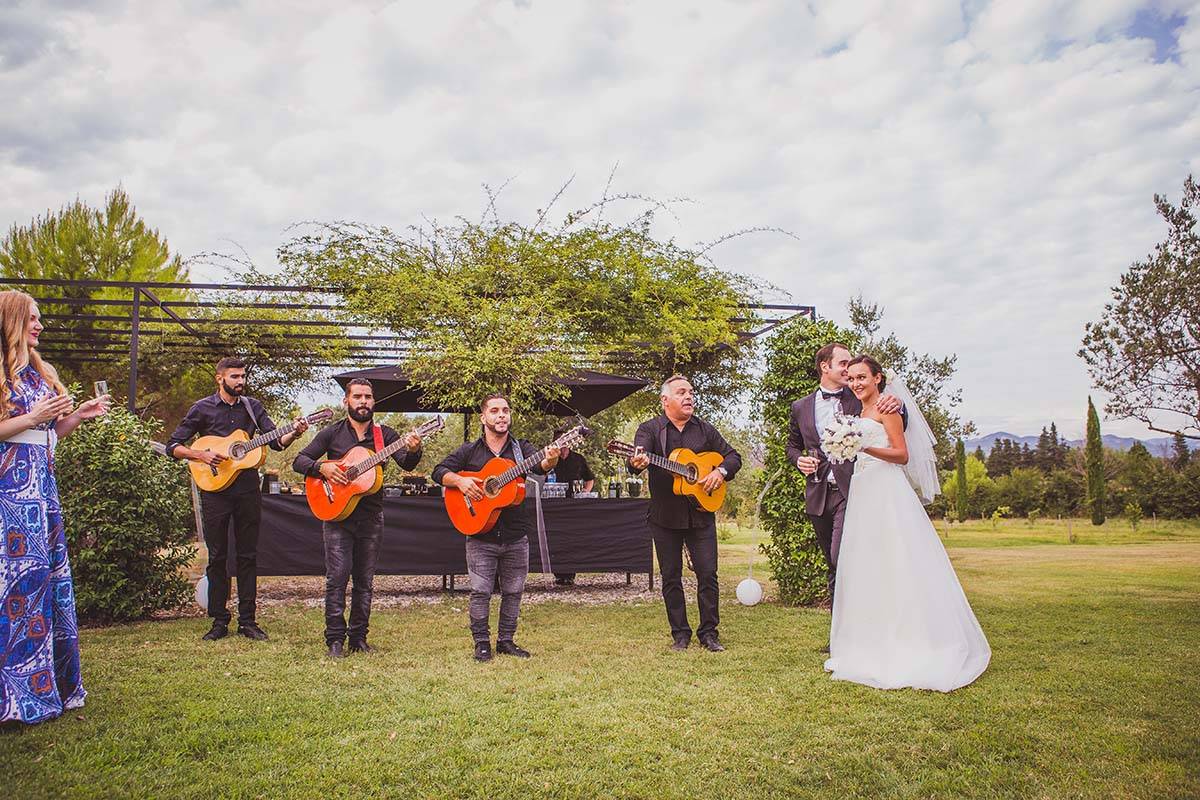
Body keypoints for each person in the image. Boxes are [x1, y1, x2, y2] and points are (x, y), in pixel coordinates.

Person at [825, 355, 990, 691]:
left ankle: (911, 643)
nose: (856, 383)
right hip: (864, 491)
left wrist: (864, 446)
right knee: (868, 566)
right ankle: (870, 643)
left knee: (898, 562)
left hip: (886, 490)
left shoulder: (888, 407)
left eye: (862, 377)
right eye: (851, 378)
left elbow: (902, 455)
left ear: (878, 378)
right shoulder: (856, 412)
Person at [0, 290, 110, 725]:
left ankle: (51, 686)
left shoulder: (40, 373)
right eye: (32, 319)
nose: (40, 326)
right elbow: (21, 428)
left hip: (42, 495)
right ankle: (14, 694)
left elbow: (47, 436)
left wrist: (75, 417)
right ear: (11, 321)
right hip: (9, 495)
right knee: (13, 589)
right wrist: (31, 417)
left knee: (46, 586)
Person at [167, 357, 309, 642]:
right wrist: (202, 455)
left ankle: (248, 621)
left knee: (247, 555)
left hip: (246, 490)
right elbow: (173, 446)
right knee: (217, 556)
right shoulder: (202, 408)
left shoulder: (253, 408)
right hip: (214, 490)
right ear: (220, 378)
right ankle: (219, 620)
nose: (240, 381)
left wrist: (293, 432)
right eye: (234, 377)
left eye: (243, 376)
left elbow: (276, 442)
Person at [291, 378, 423, 658]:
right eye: (358, 397)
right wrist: (323, 468)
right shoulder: (332, 433)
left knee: (365, 581)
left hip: (371, 517)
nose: (364, 401)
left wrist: (413, 448)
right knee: (336, 579)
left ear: (374, 402)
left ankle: (358, 638)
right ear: (346, 401)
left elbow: (407, 462)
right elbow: (299, 461)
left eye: (368, 397)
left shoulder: (384, 435)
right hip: (337, 516)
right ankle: (335, 640)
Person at [786, 342, 903, 633]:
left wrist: (897, 403)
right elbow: (793, 445)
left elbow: (892, 422)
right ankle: (841, 634)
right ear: (825, 367)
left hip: (853, 490)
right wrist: (798, 460)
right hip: (817, 493)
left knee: (843, 558)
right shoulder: (800, 406)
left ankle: (858, 629)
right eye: (843, 363)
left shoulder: (859, 397)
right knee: (833, 563)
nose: (849, 371)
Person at [432, 393, 558, 662]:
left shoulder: (521, 449)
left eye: (506, 411)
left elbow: (541, 465)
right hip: (480, 532)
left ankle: (506, 641)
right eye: (495, 411)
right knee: (480, 591)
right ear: (483, 417)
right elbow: (438, 470)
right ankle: (481, 644)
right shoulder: (469, 451)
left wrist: (551, 459)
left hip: (516, 534)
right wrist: (460, 482)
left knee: (514, 591)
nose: (502, 415)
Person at [628, 375, 740, 652]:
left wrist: (719, 472)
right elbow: (636, 460)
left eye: (690, 392)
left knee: (708, 574)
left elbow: (733, 456)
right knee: (671, 576)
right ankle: (680, 633)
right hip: (664, 517)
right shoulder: (650, 429)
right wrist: (636, 461)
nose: (689, 396)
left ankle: (709, 633)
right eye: (681, 392)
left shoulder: (704, 430)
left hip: (701, 514)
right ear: (665, 400)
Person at [547, 425, 594, 586]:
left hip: (575, 506)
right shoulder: (550, 459)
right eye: (559, 441)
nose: (563, 445)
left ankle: (570, 574)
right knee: (556, 539)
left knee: (573, 538)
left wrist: (585, 493)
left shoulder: (578, 459)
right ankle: (558, 573)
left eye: (564, 441)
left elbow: (590, 478)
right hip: (553, 506)